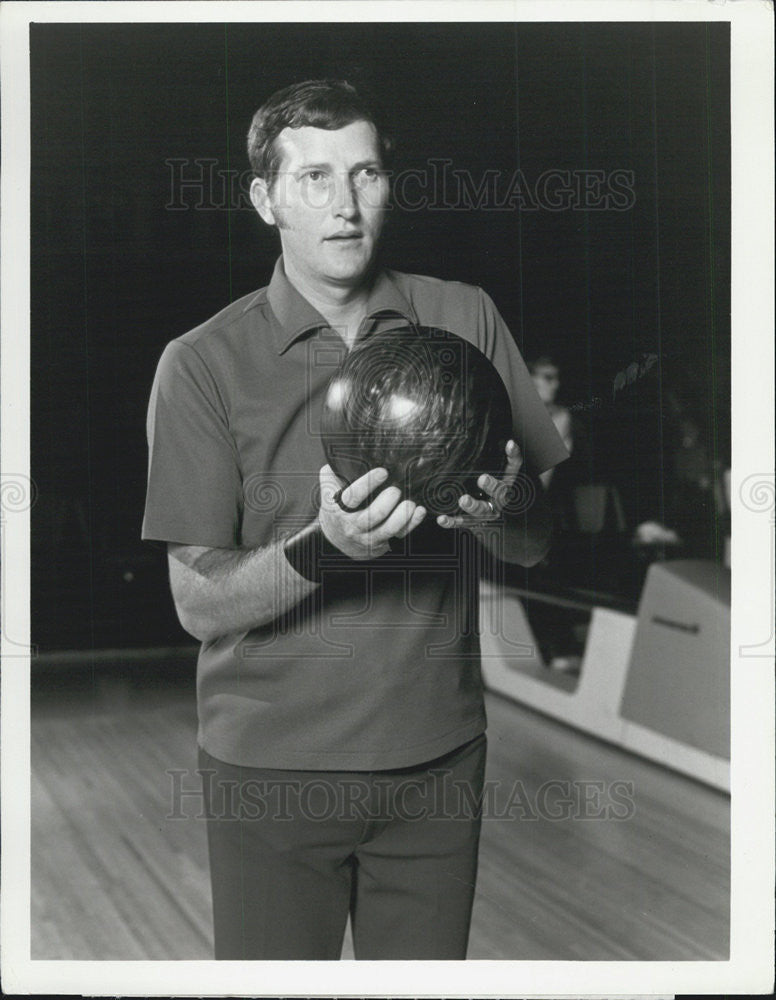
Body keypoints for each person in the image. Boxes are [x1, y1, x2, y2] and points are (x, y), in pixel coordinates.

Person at [143, 79, 569, 960]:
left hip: (439, 763)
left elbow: (537, 540)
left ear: (388, 184)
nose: (344, 205)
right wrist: (324, 548)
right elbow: (197, 601)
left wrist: (504, 509)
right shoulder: (201, 364)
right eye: (313, 179)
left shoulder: (464, 317)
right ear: (265, 199)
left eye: (365, 174)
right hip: (270, 775)